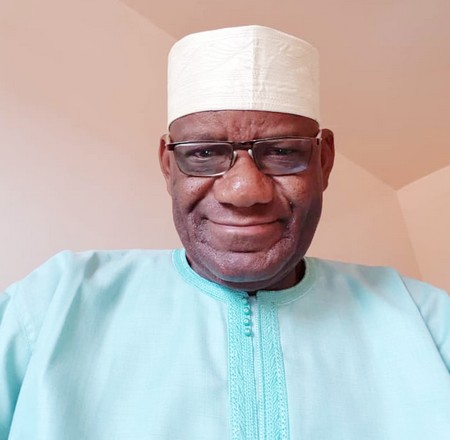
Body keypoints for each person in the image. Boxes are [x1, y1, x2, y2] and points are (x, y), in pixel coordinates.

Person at [0, 25, 449, 440]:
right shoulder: (51, 304)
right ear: (168, 166)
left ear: (324, 161)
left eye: (282, 151)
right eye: (204, 153)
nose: (245, 191)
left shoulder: (428, 320)